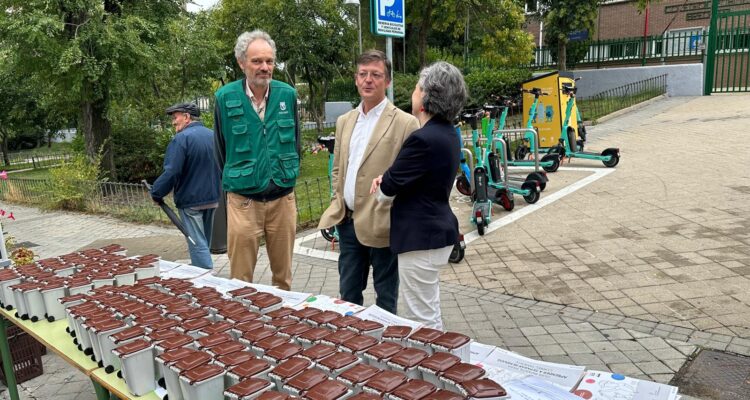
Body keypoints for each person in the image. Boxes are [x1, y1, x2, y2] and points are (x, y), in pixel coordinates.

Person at [318, 50, 419, 314]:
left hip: (382, 223)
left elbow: (410, 175)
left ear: (387, 82)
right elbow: (338, 168)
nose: (368, 80)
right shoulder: (344, 121)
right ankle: (352, 348)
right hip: (348, 223)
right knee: (348, 295)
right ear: (355, 79)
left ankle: (386, 349)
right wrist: (336, 203)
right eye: (363, 74)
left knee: (385, 298)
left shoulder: (405, 123)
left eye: (376, 75)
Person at [370, 62, 467, 329]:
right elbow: (412, 176)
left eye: (416, 87)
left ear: (425, 97)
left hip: (420, 238)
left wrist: (383, 182)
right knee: (429, 309)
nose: (413, 92)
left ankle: (430, 366)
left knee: (420, 319)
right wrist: (390, 179)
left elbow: (386, 191)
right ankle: (440, 361)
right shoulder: (448, 133)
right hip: (437, 231)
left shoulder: (422, 138)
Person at [214, 30, 300, 290]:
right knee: (240, 281)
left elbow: (296, 143)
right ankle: (242, 327)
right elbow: (220, 149)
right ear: (241, 63)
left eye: (269, 61)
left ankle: (282, 326)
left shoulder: (287, 95)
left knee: (283, 280)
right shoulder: (224, 97)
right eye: (257, 61)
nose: (265, 67)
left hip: (283, 200)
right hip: (243, 202)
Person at [150, 102, 221, 269]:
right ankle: (199, 267)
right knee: (203, 241)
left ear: (187, 117)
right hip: (213, 198)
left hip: (191, 201)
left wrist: (156, 192)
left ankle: (205, 278)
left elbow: (172, 171)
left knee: (197, 242)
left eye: (175, 117)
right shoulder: (213, 136)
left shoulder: (181, 139)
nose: (173, 122)